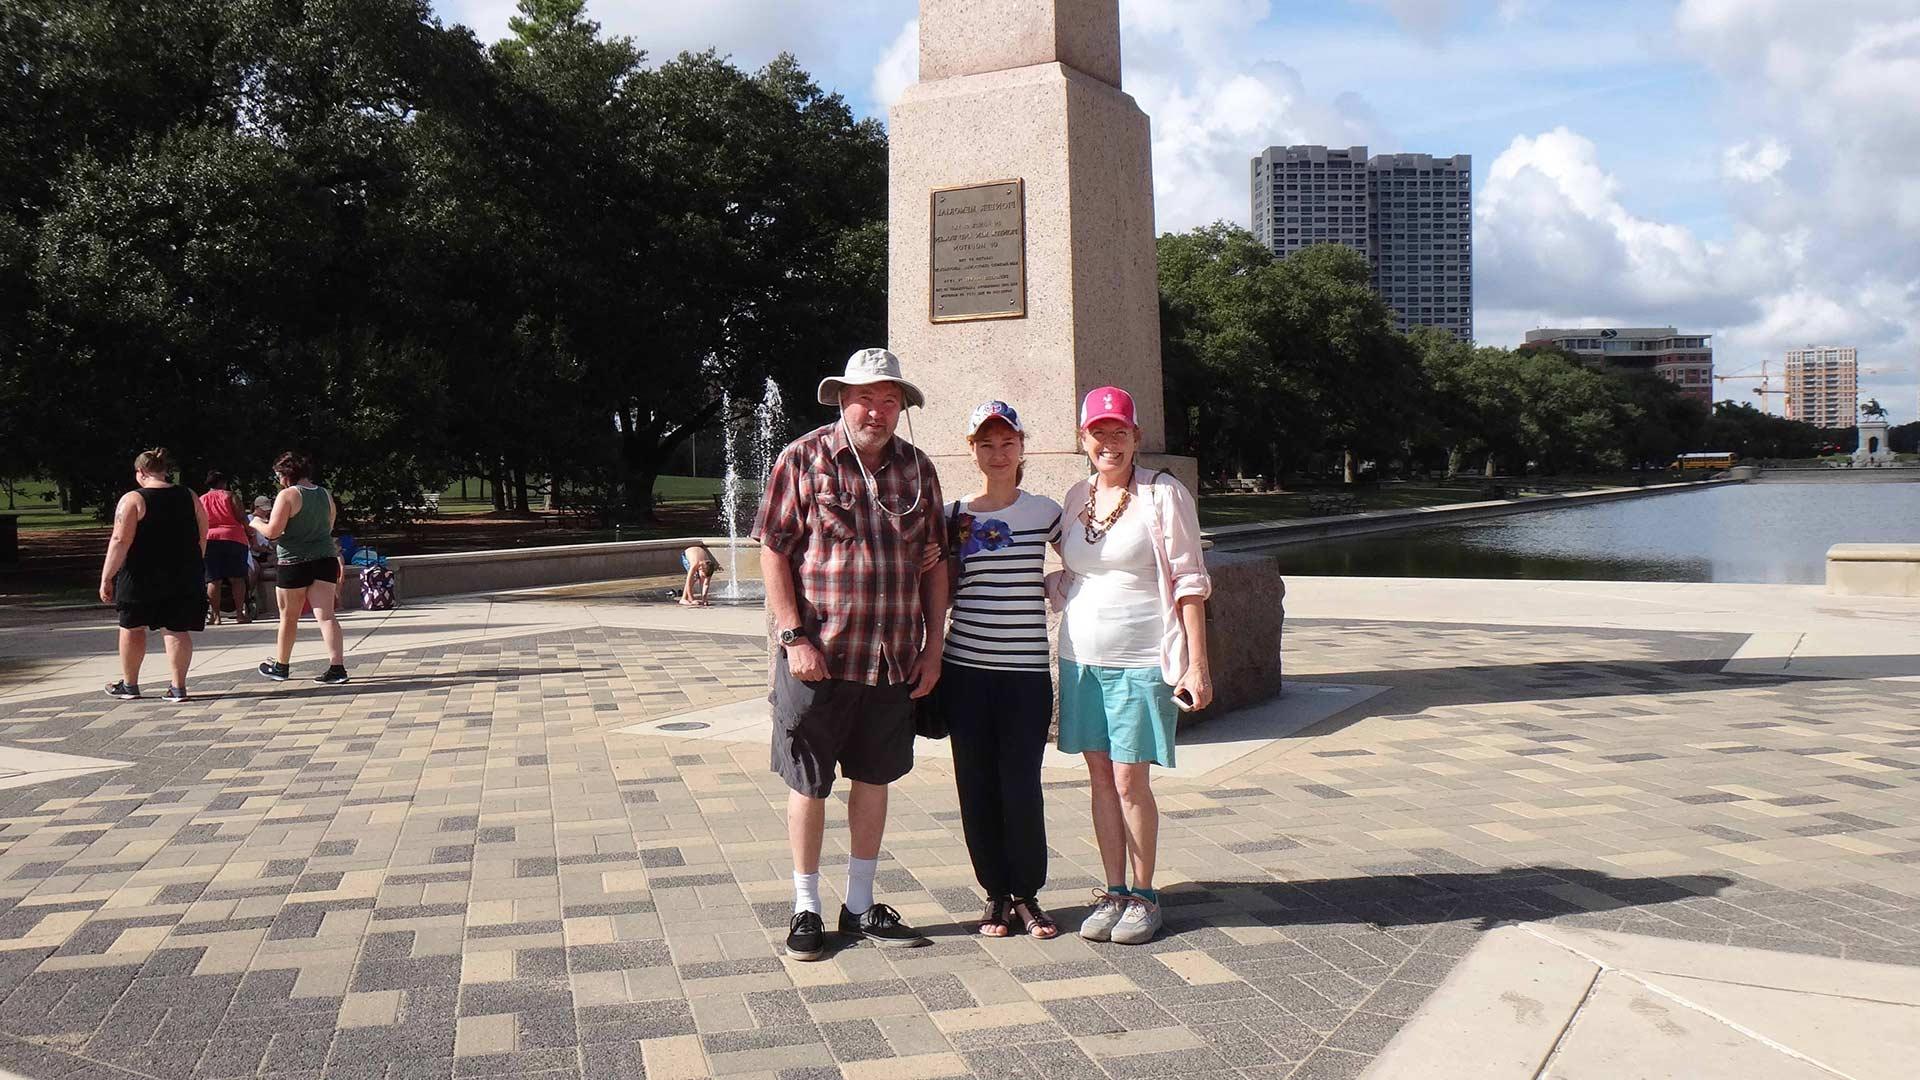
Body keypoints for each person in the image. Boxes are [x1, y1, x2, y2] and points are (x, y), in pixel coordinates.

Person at [752, 348, 947, 961]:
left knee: (874, 779)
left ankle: (859, 905)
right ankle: (805, 906)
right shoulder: (804, 457)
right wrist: (792, 636)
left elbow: (937, 565)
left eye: (891, 399)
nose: (878, 410)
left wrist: (932, 646)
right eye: (866, 397)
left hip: (891, 659)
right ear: (842, 399)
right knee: (809, 784)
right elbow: (773, 550)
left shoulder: (918, 471)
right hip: (819, 658)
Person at [1051, 386, 1213, 945]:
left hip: (1141, 658)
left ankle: (1144, 894)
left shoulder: (1163, 496)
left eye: (1120, 431)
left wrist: (1196, 666)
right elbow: (1076, 570)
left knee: (1129, 779)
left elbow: (1191, 583)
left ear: (1136, 438)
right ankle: (1114, 888)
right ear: (1083, 439)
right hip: (1079, 658)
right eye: (1099, 432)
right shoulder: (1076, 497)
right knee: (1099, 776)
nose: (1109, 442)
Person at [942, 401, 1064, 939]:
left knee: (1021, 784)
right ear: (973, 450)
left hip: (1025, 673)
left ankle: (1027, 894)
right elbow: (937, 585)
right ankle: (994, 895)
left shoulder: (1045, 512)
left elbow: (1087, 558)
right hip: (964, 669)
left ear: (1022, 447)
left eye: (1007, 442)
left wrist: (1056, 585)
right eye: (986, 444)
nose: (998, 452)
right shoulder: (951, 515)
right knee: (976, 783)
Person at [99, 448, 208, 702]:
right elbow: (203, 532)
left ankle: (130, 684)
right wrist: (196, 561)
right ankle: (178, 687)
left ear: (141, 472)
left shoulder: (133, 500)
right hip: (183, 573)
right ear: (164, 470)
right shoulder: (189, 495)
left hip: (140, 575)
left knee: (131, 627)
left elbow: (119, 540)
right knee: (177, 628)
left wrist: (107, 576)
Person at [252, 452, 349, 685]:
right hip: (325, 558)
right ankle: (337, 668)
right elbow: (329, 524)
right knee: (326, 616)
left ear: (286, 474)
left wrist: (256, 523)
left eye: (277, 474)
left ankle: (281, 666)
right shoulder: (325, 494)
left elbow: (273, 531)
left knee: (289, 616)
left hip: (293, 561)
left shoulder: (287, 495)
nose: (277, 479)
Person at [200, 471, 252, 625]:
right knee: (237, 578)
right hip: (234, 538)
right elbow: (242, 517)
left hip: (210, 539)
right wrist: (250, 531)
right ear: (223, 482)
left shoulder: (201, 499)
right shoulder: (230, 496)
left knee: (213, 579)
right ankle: (239, 614)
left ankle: (215, 616)